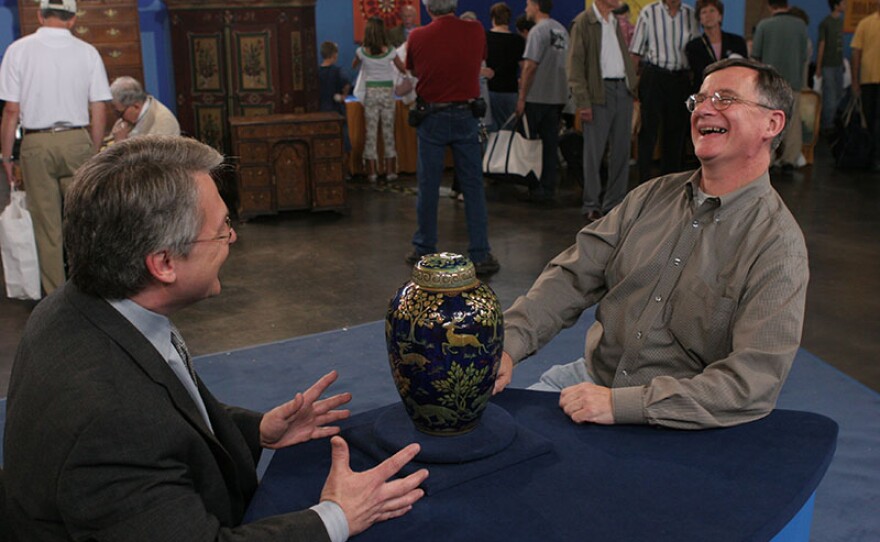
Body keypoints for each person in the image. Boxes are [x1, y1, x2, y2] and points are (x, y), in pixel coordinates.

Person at [3, 135, 429, 540]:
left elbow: (165, 403)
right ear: (164, 263)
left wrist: (256, 429)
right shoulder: (112, 422)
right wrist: (337, 516)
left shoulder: (75, 307)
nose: (233, 237)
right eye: (222, 229)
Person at [494, 58, 808, 431]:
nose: (705, 109)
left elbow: (750, 382)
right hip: (587, 383)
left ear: (771, 124)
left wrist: (623, 405)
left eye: (725, 99)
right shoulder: (651, 197)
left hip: (677, 418)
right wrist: (509, 343)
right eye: (701, 98)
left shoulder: (778, 246)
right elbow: (572, 276)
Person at [0, 0, 111, 296]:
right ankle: (93, 290)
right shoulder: (87, 52)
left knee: (46, 227)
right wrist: (94, 148)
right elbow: (98, 107)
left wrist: (7, 155)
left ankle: (57, 297)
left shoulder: (18, 51)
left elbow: (12, 110)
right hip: (76, 139)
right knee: (86, 220)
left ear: (40, 14)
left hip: (36, 142)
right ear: (73, 19)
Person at [405, 0, 499, 276]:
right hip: (466, 113)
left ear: (428, 7)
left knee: (428, 184)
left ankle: (423, 247)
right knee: (472, 186)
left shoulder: (418, 36)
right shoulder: (475, 30)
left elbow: (413, 70)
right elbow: (479, 60)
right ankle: (480, 253)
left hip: (432, 115)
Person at [568, 0, 637, 224]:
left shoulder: (615, 22)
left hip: (622, 91)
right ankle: (591, 204)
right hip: (599, 92)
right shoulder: (583, 23)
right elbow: (575, 65)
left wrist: (632, 87)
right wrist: (582, 101)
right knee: (593, 152)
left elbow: (622, 58)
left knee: (621, 151)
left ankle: (614, 203)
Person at [629, 0, 698, 182]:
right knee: (648, 131)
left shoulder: (691, 15)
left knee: (676, 133)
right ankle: (643, 182)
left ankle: (670, 183)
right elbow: (635, 52)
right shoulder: (648, 12)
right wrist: (631, 86)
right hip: (654, 75)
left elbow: (696, 49)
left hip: (680, 79)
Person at [516, 0, 569, 205]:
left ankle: (534, 186)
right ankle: (548, 188)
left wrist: (521, 97)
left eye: (528, 4)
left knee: (530, 145)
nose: (526, 8)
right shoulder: (561, 30)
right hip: (557, 96)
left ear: (537, 6)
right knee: (550, 144)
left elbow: (530, 66)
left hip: (536, 96)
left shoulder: (538, 32)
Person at [751, 0, 807, 173]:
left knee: (768, 121)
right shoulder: (800, 26)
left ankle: (769, 159)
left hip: (770, 83)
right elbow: (804, 55)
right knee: (793, 121)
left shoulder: (764, 25)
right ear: (787, 4)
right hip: (793, 82)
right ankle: (790, 158)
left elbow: (755, 56)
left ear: (769, 6)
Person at [353, 17, 407, 183]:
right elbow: (403, 69)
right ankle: (390, 171)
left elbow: (353, 65)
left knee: (371, 133)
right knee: (388, 132)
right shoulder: (390, 51)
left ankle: (372, 173)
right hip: (387, 93)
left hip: (371, 93)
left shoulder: (361, 52)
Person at [685, 0, 747, 93]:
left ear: (720, 16)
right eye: (704, 12)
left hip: (733, 91)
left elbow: (743, 70)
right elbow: (700, 73)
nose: (708, 15)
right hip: (705, 93)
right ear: (700, 19)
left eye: (712, 11)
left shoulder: (737, 42)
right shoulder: (694, 46)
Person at [485, 2, 525, 131]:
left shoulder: (485, 37)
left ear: (493, 18)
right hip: (510, 90)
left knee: (489, 132)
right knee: (510, 131)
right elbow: (524, 68)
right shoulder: (517, 40)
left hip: (488, 89)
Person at [851, 0, 880, 171]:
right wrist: (855, 80)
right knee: (871, 119)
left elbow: (856, 53)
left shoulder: (865, 23)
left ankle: (873, 156)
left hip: (868, 80)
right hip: (868, 80)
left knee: (873, 120)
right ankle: (871, 156)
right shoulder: (865, 23)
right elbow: (856, 53)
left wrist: (855, 80)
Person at [109, 76, 180, 143]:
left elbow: (151, 155)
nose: (119, 118)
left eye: (119, 113)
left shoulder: (164, 123)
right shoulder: (127, 117)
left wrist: (120, 142)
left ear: (136, 106)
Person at [319, 41, 353, 177]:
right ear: (334, 55)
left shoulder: (317, 72)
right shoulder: (338, 72)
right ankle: (344, 172)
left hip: (321, 113)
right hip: (337, 112)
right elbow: (346, 84)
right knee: (344, 145)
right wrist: (343, 96)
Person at [816, 0, 846, 135]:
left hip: (839, 64)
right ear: (836, 5)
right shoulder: (825, 23)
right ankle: (826, 125)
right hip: (827, 65)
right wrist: (818, 66)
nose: (845, 5)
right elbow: (821, 45)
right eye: (843, 3)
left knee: (839, 94)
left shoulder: (841, 22)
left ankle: (831, 122)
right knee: (830, 96)